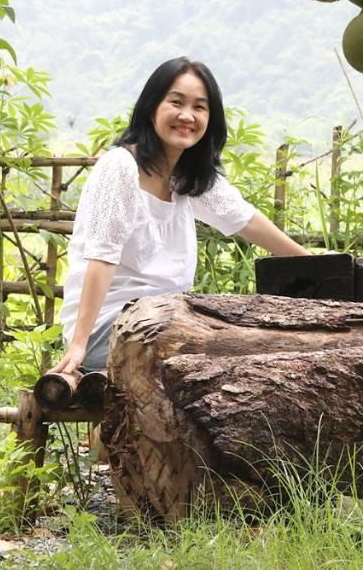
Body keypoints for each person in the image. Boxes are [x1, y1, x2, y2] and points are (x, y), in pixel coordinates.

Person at [53, 57, 308, 374]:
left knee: (245, 325)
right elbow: (101, 258)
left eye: (200, 107)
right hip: (112, 328)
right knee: (222, 339)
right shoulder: (120, 168)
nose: (187, 116)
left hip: (171, 321)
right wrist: (78, 344)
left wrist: (314, 264)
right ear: (151, 108)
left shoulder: (190, 178)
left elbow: (248, 222)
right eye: (176, 102)